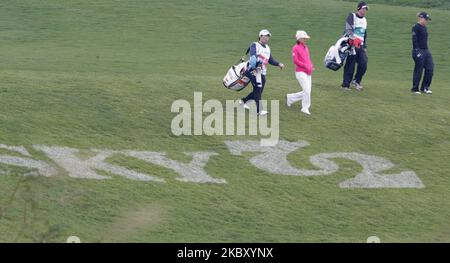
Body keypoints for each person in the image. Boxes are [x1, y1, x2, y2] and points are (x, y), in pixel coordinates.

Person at [239, 29, 285, 116]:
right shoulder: (254, 45)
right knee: (257, 89)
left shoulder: (267, 48)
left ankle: (243, 101)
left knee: (258, 91)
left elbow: (270, 60)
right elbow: (253, 56)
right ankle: (259, 111)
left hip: (262, 72)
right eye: (265, 36)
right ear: (260, 36)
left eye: (268, 37)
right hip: (253, 71)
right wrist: (255, 66)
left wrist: (278, 64)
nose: (266, 38)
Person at [341, 1, 369, 91]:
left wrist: (364, 45)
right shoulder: (352, 16)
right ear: (359, 8)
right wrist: (352, 38)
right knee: (350, 65)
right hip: (351, 44)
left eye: (366, 9)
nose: (364, 10)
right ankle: (345, 85)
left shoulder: (365, 20)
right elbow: (348, 29)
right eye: (363, 8)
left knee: (364, 63)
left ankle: (356, 80)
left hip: (360, 45)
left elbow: (364, 34)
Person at [286, 30, 314, 115]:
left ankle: (290, 98)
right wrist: (305, 66)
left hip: (308, 72)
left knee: (307, 91)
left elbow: (307, 59)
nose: (306, 39)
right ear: (299, 39)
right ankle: (305, 108)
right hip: (300, 72)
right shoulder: (295, 48)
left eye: (306, 38)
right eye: (304, 38)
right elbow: (295, 61)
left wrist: (311, 66)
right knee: (307, 91)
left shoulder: (306, 47)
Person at [411, 12, 433, 94]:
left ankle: (425, 88)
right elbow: (414, 40)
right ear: (421, 18)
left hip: (426, 50)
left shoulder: (425, 28)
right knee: (418, 69)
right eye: (426, 19)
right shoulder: (415, 27)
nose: (426, 21)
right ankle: (415, 88)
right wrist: (416, 51)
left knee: (430, 68)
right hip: (418, 50)